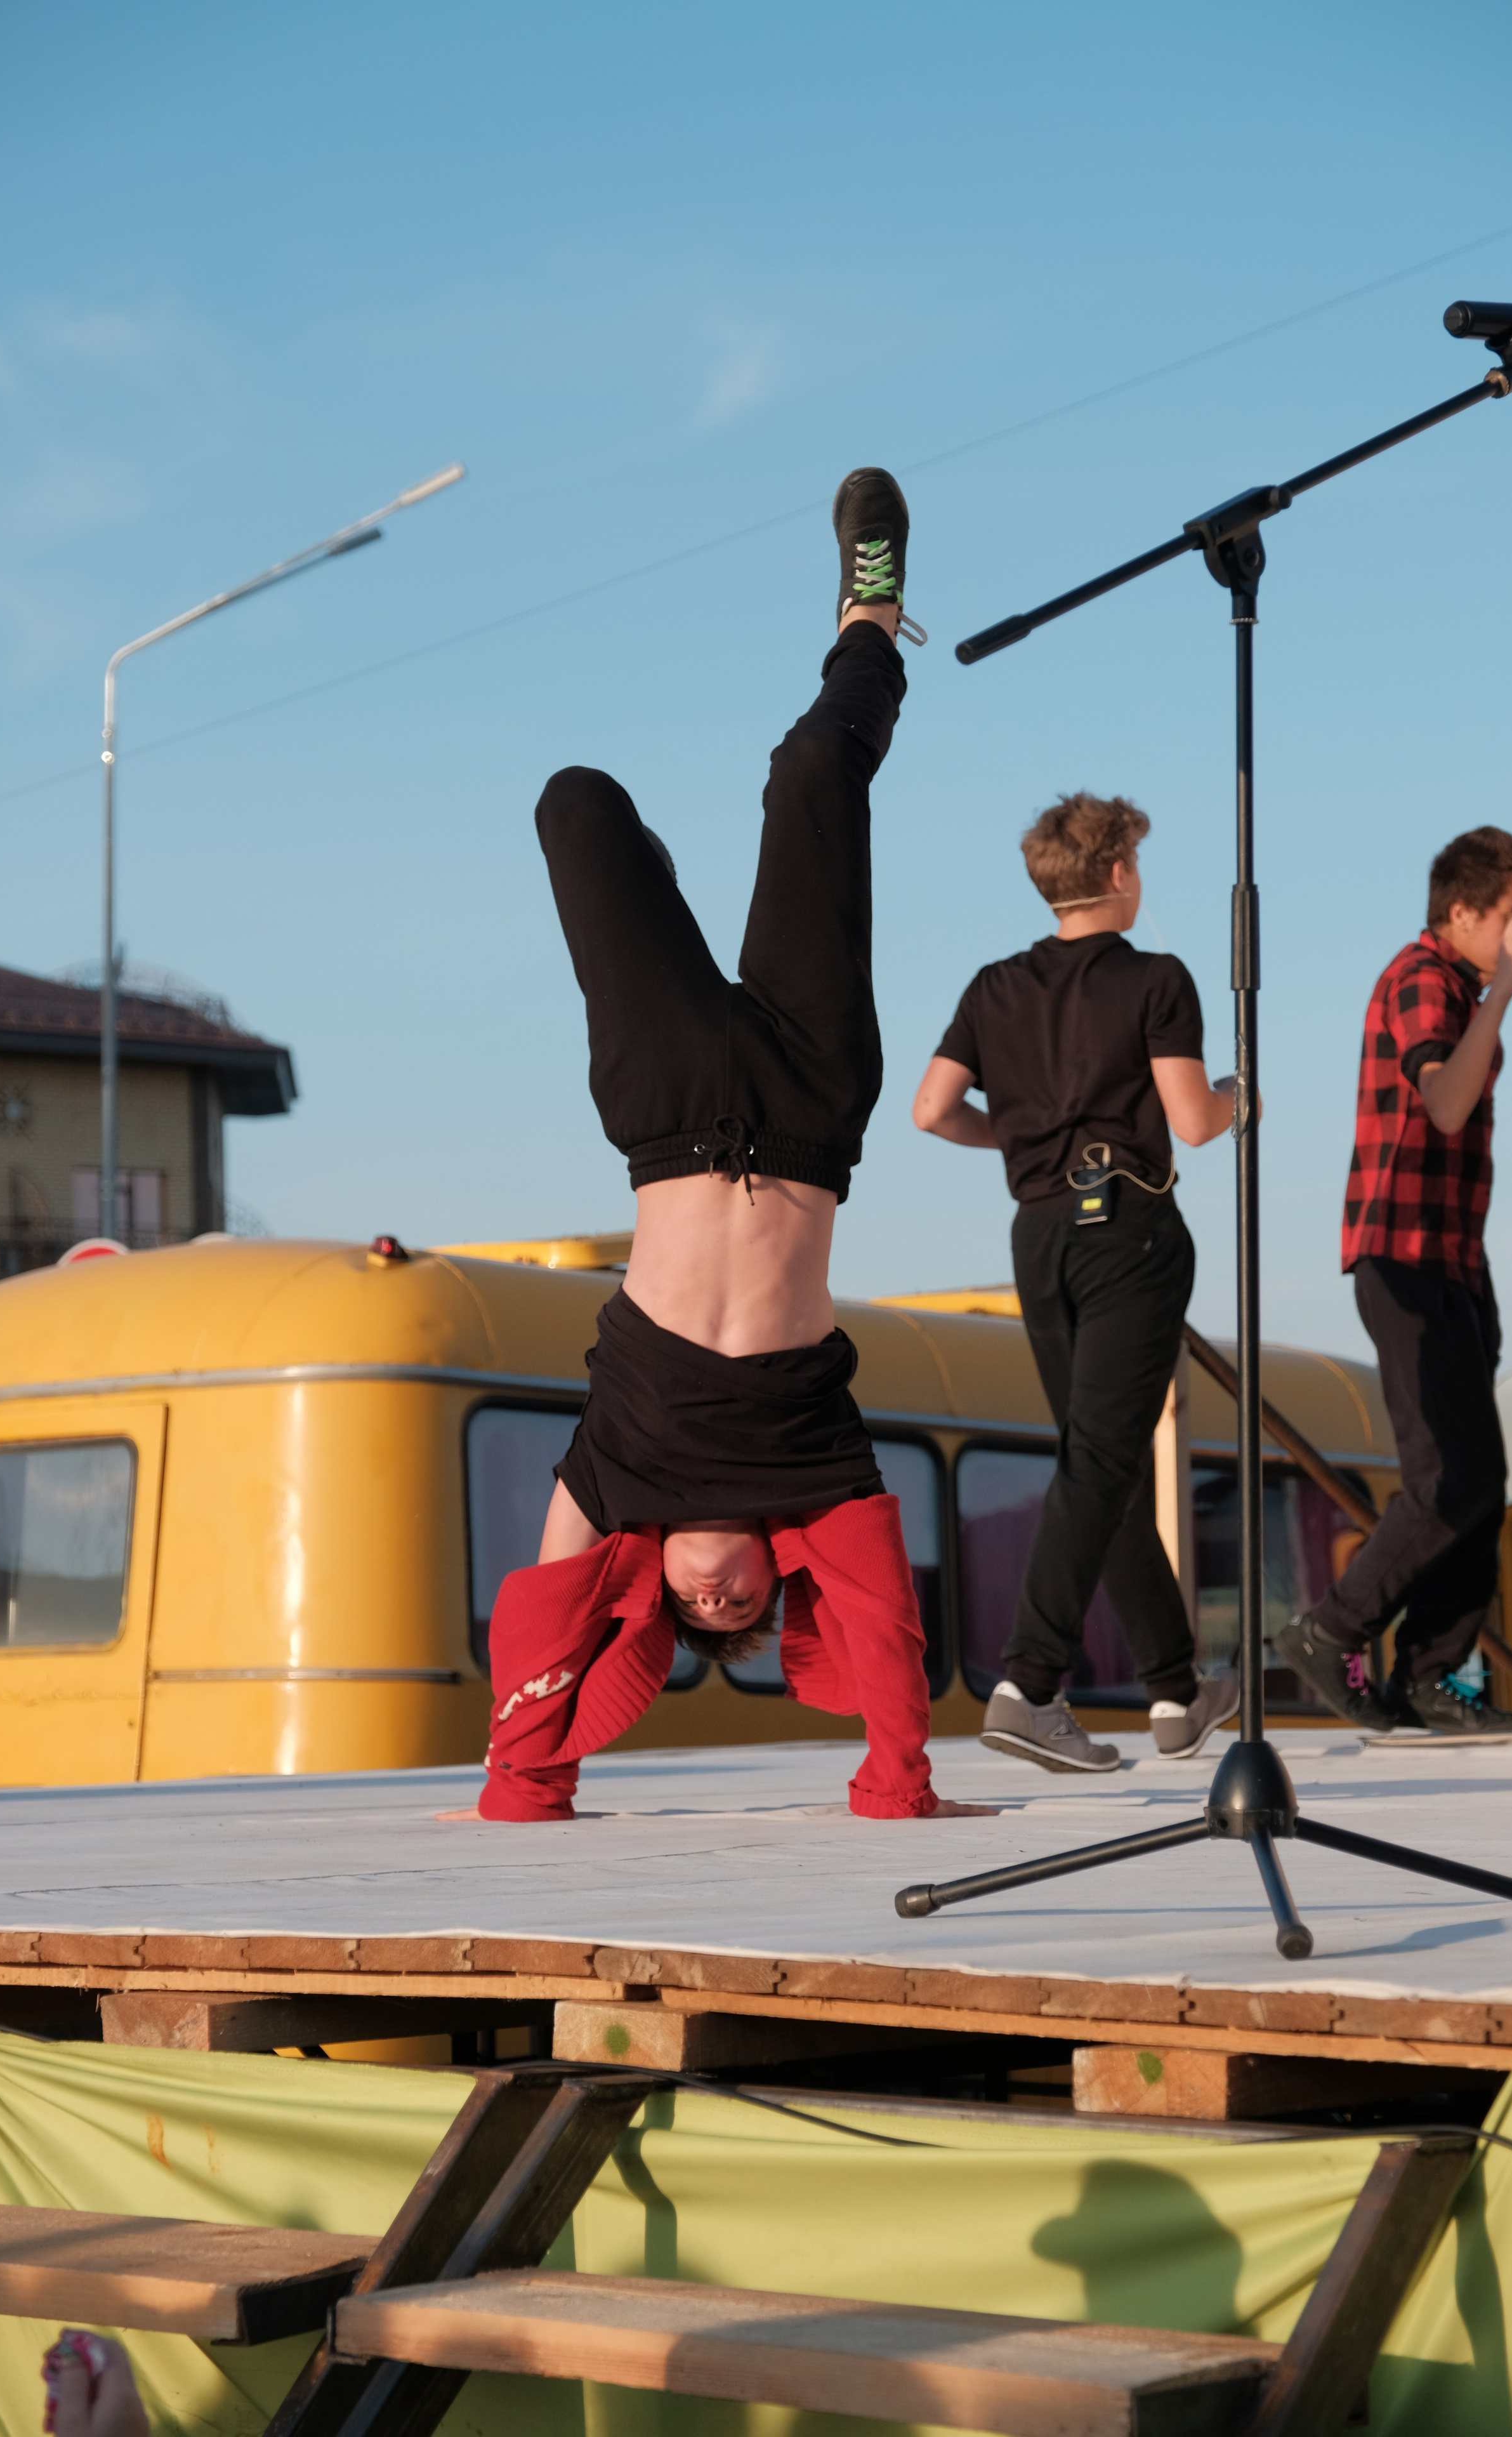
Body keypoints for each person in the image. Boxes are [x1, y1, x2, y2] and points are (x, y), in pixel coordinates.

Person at [473, 470, 988, 1825]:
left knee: (575, 803)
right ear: (774, 1571)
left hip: (667, 1108)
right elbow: (885, 1641)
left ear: (654, 1588)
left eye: (694, 1616)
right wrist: (897, 1787)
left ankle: (650, 879)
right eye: (743, 1611)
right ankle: (870, 620)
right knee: (812, 777)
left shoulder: (612, 1481)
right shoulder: (819, 1477)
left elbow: (543, 1631)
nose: (717, 1603)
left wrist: (527, 1787)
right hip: (811, 1105)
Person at [914, 792, 1240, 1771]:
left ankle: (1175, 1693)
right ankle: (1029, 1684)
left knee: (1101, 1462)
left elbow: (932, 1109)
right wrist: (1243, 1096)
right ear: (1119, 873)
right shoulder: (1157, 979)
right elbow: (1194, 1122)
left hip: (1040, 1234)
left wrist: (1019, 1139)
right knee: (1100, 1461)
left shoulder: (994, 987)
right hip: (1129, 1232)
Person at [1274, 826, 1512, 1735]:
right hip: (1404, 1255)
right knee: (1442, 1479)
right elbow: (1447, 1102)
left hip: (1455, 1259)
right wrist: (1506, 992)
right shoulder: (1423, 978)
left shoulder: (1464, 986)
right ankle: (1330, 1629)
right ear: (1461, 913)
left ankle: (1427, 1676)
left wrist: (1495, 991)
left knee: (1480, 1481)